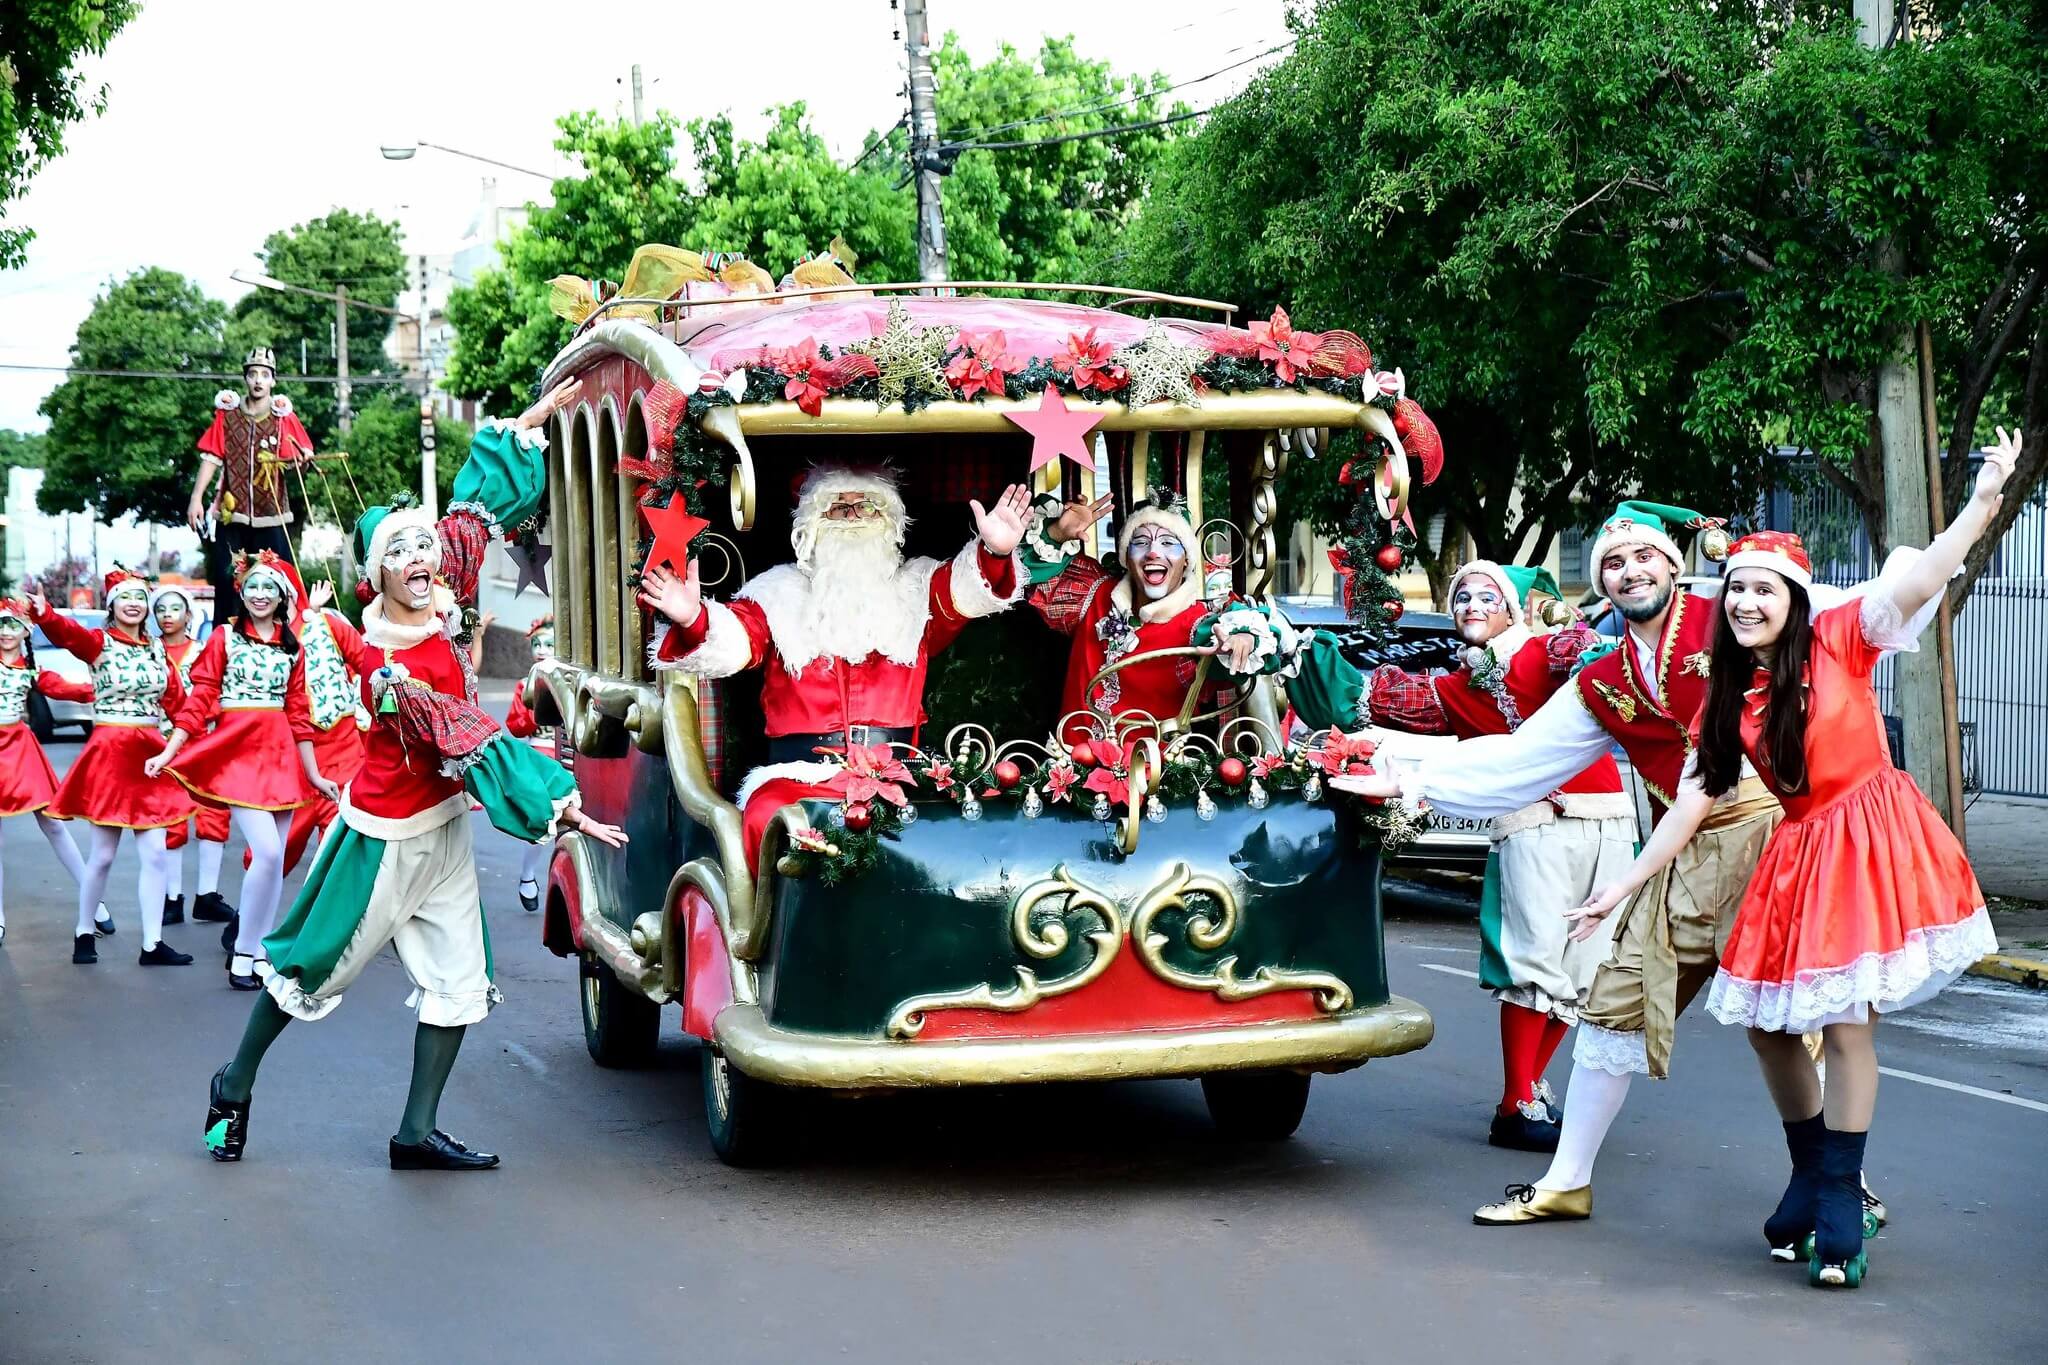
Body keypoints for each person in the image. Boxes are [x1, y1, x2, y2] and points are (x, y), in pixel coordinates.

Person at [1333, 500, 1906, 1228]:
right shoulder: (1601, 678)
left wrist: (1921, 567)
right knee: (1616, 1006)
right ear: (1601, 586)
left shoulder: (1726, 610)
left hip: (1775, 836)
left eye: (1642, 557)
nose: (1629, 570)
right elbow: (1520, 762)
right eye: (1611, 562)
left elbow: (1836, 614)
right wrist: (1411, 779)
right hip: (1681, 848)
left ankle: (1843, 1185)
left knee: (1804, 1017)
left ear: (1673, 564)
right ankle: (1567, 1180)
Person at [1569, 434, 2013, 1286]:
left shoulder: (1842, 637)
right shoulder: (1731, 697)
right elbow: (1691, 802)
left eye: (1762, 588)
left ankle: (1843, 1189)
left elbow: (1919, 580)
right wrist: (1622, 884)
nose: (1744, 600)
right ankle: (1811, 1169)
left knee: (1846, 1020)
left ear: (1793, 598)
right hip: (1800, 850)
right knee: (1771, 1027)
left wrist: (1983, 499)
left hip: (1869, 833)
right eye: (1734, 587)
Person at [203, 379, 627, 1170]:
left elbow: (470, 514)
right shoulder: (380, 665)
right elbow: (465, 736)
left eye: (421, 545)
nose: (420, 557)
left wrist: (520, 431)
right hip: (381, 839)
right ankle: (233, 1082)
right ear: (376, 573)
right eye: (397, 551)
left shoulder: (444, 589)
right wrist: (560, 806)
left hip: (441, 839)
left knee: (461, 979)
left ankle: (414, 1131)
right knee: (307, 968)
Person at [1287, 560, 1633, 1151]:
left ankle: (1529, 1087)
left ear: (1513, 608)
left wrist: (1583, 638)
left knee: (1586, 972)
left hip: (1608, 822)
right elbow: (1371, 697)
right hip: (1531, 828)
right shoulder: (1452, 689)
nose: (1472, 605)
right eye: (1462, 597)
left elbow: (1579, 650)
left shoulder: (1544, 652)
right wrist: (1293, 650)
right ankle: (1515, 1101)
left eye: (1485, 596)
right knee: (1531, 962)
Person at [639, 465, 1031, 857]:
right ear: (811, 524)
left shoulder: (918, 586)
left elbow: (962, 592)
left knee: (950, 830)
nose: (852, 516)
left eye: (867, 506)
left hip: (898, 774)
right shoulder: (778, 591)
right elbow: (738, 641)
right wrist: (693, 619)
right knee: (767, 817)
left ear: (889, 522)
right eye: (837, 508)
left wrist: (994, 551)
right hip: (799, 778)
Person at [149, 553, 321, 990]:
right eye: (253, 587)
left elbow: (299, 713)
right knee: (265, 852)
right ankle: (243, 954)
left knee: (275, 858)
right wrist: (172, 748)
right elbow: (200, 696)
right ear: (241, 593)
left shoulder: (291, 645)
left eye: (270, 588)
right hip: (239, 753)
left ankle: (261, 950)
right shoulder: (224, 637)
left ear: (283, 596)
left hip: (281, 756)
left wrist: (315, 775)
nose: (261, 595)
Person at [1021, 489, 1308, 746]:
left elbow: (1247, 643)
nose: (1153, 552)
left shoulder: (1199, 622)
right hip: (1072, 777)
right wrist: (1056, 535)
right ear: (1126, 557)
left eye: (1169, 543)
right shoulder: (1092, 594)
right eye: (1141, 542)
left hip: (1158, 784)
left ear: (1186, 562)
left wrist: (1245, 636)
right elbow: (1021, 572)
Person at [30, 569, 195, 966]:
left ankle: (152, 944)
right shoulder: (98, 643)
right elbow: (68, 634)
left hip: (150, 755)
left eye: (140, 598)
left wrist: (201, 741)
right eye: (125, 597)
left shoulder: (158, 651)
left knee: (155, 853)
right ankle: (84, 930)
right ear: (112, 604)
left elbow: (178, 704)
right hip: (109, 752)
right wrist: (44, 614)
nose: (134, 604)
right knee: (103, 855)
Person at [0, 597, 102, 949]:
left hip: (19, 747)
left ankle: (95, 899)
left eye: (13, 624)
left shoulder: (32, 671)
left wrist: (102, 690)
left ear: (25, 629)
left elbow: (70, 690)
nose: (6, 632)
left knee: (52, 823)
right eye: (0, 625)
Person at [188, 348, 312, 623]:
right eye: (253, 374)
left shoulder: (282, 418)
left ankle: (286, 638)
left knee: (280, 577)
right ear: (245, 378)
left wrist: (302, 460)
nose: (258, 380)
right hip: (233, 513)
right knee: (226, 576)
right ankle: (227, 641)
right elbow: (211, 457)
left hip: (272, 513)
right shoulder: (228, 415)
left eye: (265, 375)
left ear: (273, 381)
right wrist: (196, 498)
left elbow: (298, 461)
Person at [266, 576, 369, 878]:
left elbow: (367, 664)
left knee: (338, 837)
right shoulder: (256, 642)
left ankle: (328, 915)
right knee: (274, 848)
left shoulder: (328, 624)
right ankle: (247, 919)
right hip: (289, 756)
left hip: (342, 750)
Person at [152, 583, 238, 930]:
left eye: (175, 608)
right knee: (170, 822)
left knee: (213, 817)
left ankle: (207, 895)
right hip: (162, 745)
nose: (168, 615)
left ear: (190, 614)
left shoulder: (206, 649)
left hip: (205, 743)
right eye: (161, 609)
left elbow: (220, 690)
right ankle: (172, 898)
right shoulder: (150, 652)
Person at [502, 615, 557, 913]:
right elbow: (516, 727)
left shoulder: (571, 679)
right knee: (544, 822)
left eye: (549, 643)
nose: (541, 649)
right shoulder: (525, 685)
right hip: (540, 757)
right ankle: (527, 875)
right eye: (537, 643)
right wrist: (532, 708)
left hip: (573, 756)